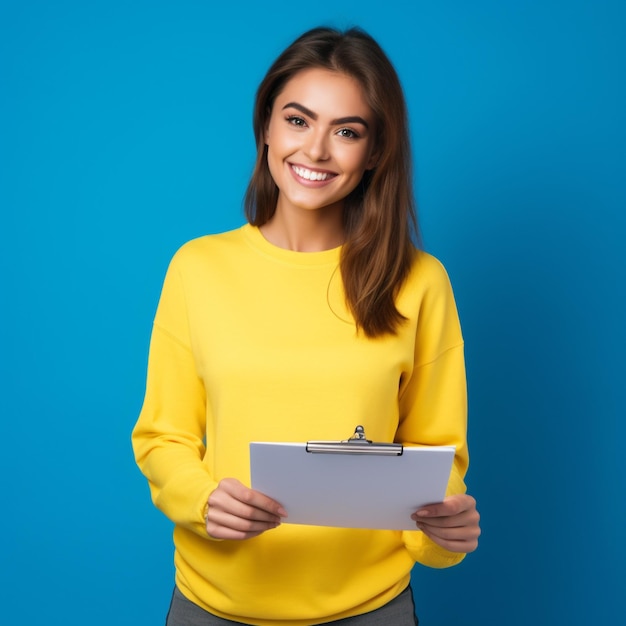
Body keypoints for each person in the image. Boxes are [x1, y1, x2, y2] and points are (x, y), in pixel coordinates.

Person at [132, 26, 480, 626]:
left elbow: (436, 452)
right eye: (298, 120)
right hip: (214, 604)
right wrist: (203, 500)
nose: (316, 151)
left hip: (371, 607)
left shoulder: (421, 281)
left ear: (374, 152)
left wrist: (441, 530)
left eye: (347, 131)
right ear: (266, 126)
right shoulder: (197, 268)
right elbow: (163, 437)